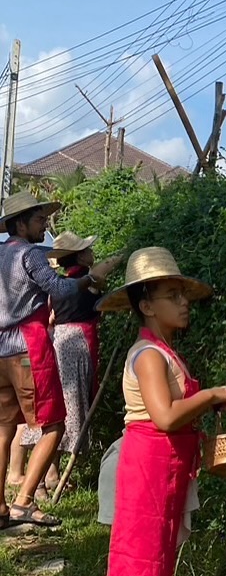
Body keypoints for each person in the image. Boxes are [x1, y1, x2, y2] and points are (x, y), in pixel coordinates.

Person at [86, 247, 226, 576]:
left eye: (183, 294)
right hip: (147, 474)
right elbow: (167, 417)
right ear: (146, 304)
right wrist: (211, 396)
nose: (183, 303)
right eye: (172, 295)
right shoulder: (149, 354)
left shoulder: (165, 351)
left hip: (164, 475)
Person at [0, 191, 118, 529]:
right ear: (20, 224)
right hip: (28, 348)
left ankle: (1, 506)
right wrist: (89, 279)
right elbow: (60, 289)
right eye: (39, 221)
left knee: (4, 426)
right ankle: (24, 501)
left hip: (0, 352)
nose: (44, 227)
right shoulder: (30, 254)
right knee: (54, 424)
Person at [17, 231, 122, 496]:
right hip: (76, 344)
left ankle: (49, 475)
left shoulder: (58, 285)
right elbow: (107, 268)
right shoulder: (87, 282)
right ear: (80, 256)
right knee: (70, 406)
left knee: (57, 405)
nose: (92, 253)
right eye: (87, 249)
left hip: (59, 341)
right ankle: (43, 479)